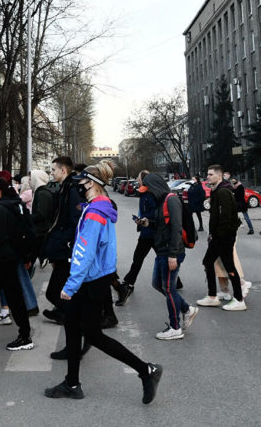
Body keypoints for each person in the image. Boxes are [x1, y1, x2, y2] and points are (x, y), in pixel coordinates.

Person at [44, 160, 162, 404]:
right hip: (94, 278)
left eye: (81, 181)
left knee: (93, 335)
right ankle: (72, 383)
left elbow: (85, 252)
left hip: (89, 281)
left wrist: (71, 285)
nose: (78, 185)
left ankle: (146, 370)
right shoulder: (100, 206)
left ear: (91, 184)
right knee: (73, 327)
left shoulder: (95, 212)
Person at [0, 176, 35, 351]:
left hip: (1, 260)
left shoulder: (1, 209)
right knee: (3, 297)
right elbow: (27, 231)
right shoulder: (17, 205)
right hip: (11, 258)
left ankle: (24, 336)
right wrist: (26, 256)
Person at [140, 173, 196, 340]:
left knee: (169, 289)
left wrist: (173, 254)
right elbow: (163, 224)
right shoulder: (161, 201)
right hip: (162, 251)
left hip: (171, 252)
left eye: (148, 190)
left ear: (155, 187)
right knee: (158, 284)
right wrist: (148, 223)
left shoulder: (171, 200)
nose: (147, 194)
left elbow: (177, 228)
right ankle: (187, 309)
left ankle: (175, 327)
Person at [200, 165, 246, 310]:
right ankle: (212, 296)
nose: (208, 177)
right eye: (207, 174)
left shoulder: (223, 192)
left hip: (224, 236)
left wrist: (218, 235)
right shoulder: (216, 191)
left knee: (228, 265)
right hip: (218, 236)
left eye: (211, 174)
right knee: (208, 262)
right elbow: (215, 216)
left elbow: (225, 217)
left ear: (219, 176)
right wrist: (212, 234)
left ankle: (239, 299)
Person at [40, 156, 79, 325]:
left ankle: (70, 317)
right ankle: (64, 314)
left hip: (65, 248)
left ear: (63, 170)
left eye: (53, 170)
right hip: (62, 246)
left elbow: (74, 220)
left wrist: (66, 243)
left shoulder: (71, 189)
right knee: (58, 289)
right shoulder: (65, 187)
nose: (51, 173)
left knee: (53, 292)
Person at [115, 170, 155, 306]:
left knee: (138, 258)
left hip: (149, 233)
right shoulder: (145, 193)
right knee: (162, 256)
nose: (137, 180)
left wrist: (145, 220)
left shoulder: (149, 195)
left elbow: (153, 213)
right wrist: (140, 220)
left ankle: (128, 284)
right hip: (148, 231)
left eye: (139, 178)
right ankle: (176, 281)